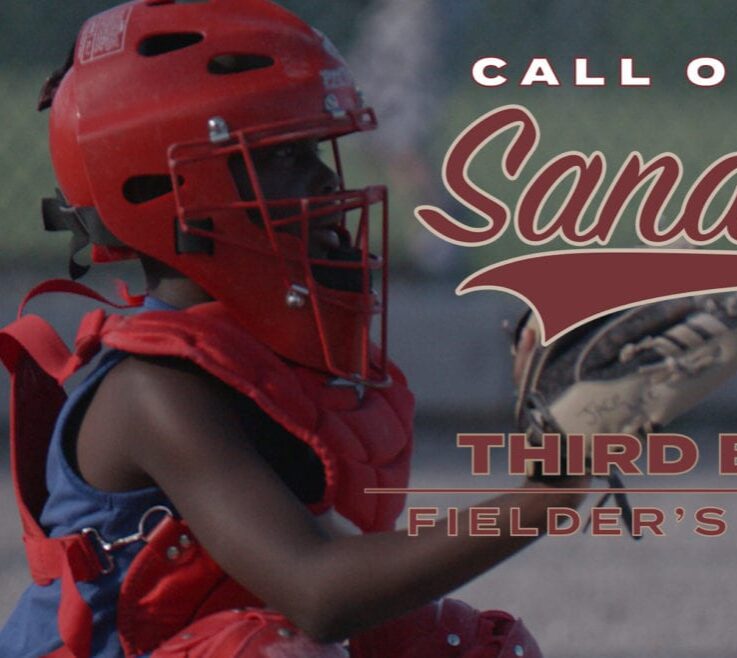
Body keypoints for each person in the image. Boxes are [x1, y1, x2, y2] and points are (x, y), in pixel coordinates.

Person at [0, 1, 588, 656]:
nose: (326, 178)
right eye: (282, 157)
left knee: (470, 647)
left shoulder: (258, 346)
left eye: (313, 149)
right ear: (176, 194)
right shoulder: (155, 388)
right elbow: (319, 593)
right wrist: (548, 493)